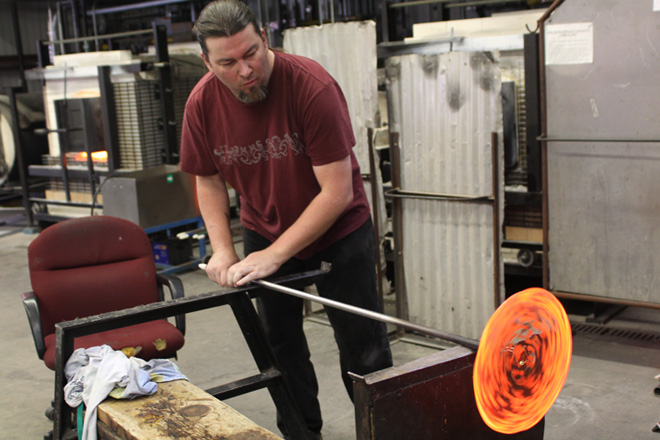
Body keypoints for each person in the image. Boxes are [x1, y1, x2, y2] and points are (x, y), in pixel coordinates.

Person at [179, 1, 393, 438]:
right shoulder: (201, 104)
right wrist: (223, 249)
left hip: (339, 231)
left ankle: (382, 433)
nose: (245, 70)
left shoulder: (311, 87)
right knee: (280, 348)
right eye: (228, 63)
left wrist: (276, 254)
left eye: (251, 53)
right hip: (264, 224)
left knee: (363, 349)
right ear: (206, 62)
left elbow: (336, 192)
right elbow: (208, 180)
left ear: (264, 38)